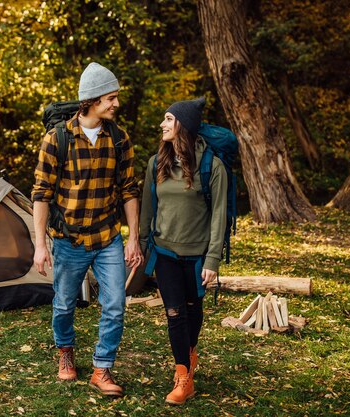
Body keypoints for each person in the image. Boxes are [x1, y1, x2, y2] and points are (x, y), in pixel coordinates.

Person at [31, 62, 142, 397]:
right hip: (69, 240)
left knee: (115, 304)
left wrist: (133, 238)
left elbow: (129, 190)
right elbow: (41, 194)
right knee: (64, 303)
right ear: (92, 100)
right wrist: (40, 245)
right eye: (111, 98)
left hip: (108, 238)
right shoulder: (57, 139)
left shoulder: (119, 139)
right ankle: (65, 352)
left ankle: (102, 368)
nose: (116, 104)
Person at [139, 97, 227, 406]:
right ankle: (183, 377)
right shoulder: (156, 163)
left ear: (183, 126)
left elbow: (219, 216)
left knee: (192, 308)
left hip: (198, 255)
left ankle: (190, 354)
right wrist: (140, 243)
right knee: (174, 312)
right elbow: (148, 207)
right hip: (164, 252)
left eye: (167, 119)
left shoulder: (212, 167)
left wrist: (213, 259)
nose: (162, 124)